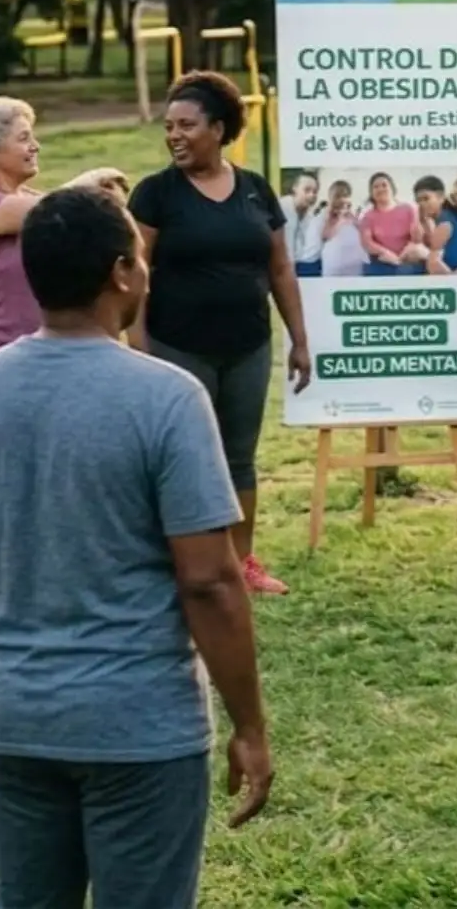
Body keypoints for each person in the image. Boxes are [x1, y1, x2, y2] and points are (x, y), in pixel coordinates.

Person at [0, 186, 273, 908]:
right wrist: (249, 724)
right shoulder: (168, 398)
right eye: (140, 256)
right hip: (140, 726)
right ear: (121, 273)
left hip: (18, 718)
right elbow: (210, 580)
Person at [129, 71, 312, 597]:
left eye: (187, 125)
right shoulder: (156, 194)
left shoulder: (255, 190)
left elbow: (280, 269)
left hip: (247, 347)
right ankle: (174, 566)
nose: (175, 135)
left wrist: (299, 340)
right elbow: (135, 272)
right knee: (180, 459)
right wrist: (137, 345)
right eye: (170, 127)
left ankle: (240, 564)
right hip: (176, 348)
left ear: (219, 128)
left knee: (238, 459)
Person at [0, 95, 127, 360]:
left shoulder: (38, 200)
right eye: (23, 139)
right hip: (1, 355)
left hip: (60, 353)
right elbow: (52, 209)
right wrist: (91, 182)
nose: (35, 146)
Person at [358, 172, 427, 276]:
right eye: (376, 187)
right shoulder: (367, 216)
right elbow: (367, 243)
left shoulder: (408, 209)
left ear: (392, 188)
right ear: (371, 193)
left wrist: (402, 256)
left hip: (407, 257)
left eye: (384, 185)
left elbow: (416, 238)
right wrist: (385, 253)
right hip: (382, 260)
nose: (380, 189)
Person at [281, 171, 327, 277]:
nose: (312, 195)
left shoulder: (310, 215)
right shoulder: (282, 207)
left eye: (315, 192)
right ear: (295, 188)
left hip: (300, 266)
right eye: (307, 190)